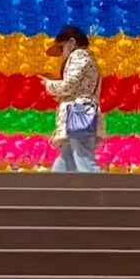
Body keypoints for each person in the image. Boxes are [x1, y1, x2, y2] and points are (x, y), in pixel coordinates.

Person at [40, 25, 103, 173]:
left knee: (82, 156)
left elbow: (69, 85)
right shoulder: (87, 59)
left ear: (71, 42)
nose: (62, 54)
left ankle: (100, 188)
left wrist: (49, 84)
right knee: (67, 156)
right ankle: (56, 188)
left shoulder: (79, 56)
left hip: (80, 109)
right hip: (80, 109)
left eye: (62, 49)